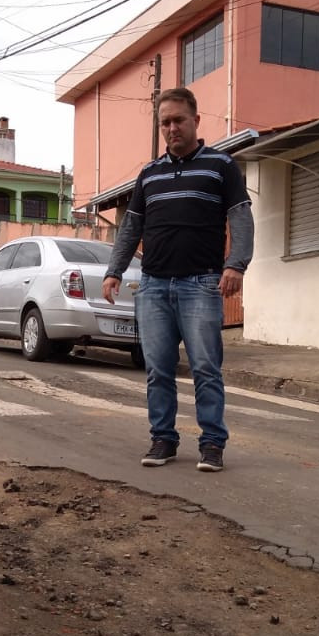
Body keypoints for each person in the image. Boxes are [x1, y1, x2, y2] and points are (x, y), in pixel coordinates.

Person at [102, 86, 253, 473]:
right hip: (153, 286)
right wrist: (114, 271)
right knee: (158, 369)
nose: (172, 128)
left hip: (201, 284)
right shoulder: (149, 174)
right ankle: (163, 440)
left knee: (205, 367)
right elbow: (130, 227)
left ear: (196, 121)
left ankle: (212, 444)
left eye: (178, 120)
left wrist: (235, 264)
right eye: (165, 122)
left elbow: (240, 217)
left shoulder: (221, 167)